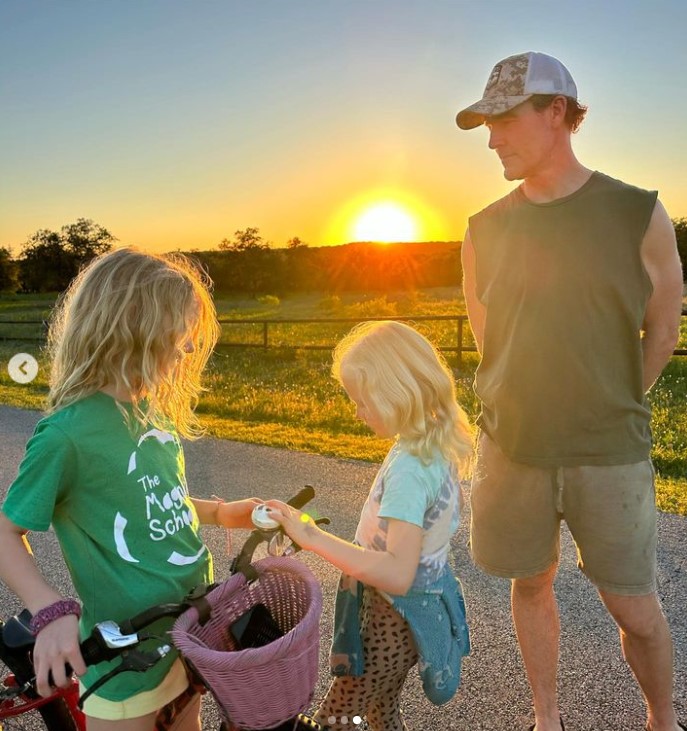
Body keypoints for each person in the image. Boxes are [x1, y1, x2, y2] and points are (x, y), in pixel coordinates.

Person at [455, 51, 684, 731]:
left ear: (556, 112)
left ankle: (661, 719)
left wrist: (609, 400)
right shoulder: (483, 228)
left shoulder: (635, 213)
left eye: (502, 119)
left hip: (606, 450)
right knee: (530, 582)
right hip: (513, 448)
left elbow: (663, 329)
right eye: (484, 123)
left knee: (634, 608)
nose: (490, 137)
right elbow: (489, 336)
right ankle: (545, 718)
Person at [0, 248, 262, 731]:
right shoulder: (67, 434)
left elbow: (152, 501)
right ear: (131, 330)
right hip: (126, 661)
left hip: (187, 633)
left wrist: (223, 514)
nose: (185, 350)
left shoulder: (151, 414)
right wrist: (50, 608)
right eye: (177, 336)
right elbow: (4, 532)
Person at [267, 320, 472, 731]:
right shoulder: (428, 442)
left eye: (362, 400)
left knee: (338, 718)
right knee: (379, 710)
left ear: (395, 391)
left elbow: (397, 572)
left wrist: (311, 536)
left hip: (389, 616)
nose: (356, 411)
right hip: (409, 613)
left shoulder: (411, 470)